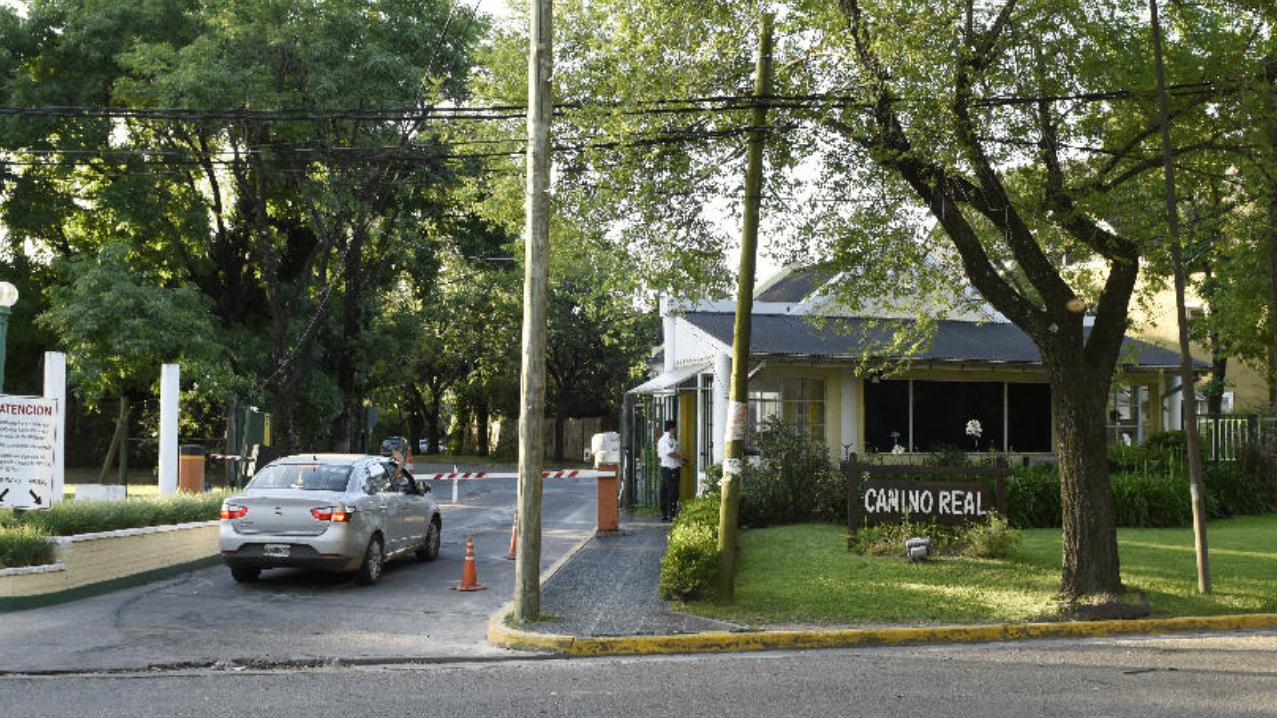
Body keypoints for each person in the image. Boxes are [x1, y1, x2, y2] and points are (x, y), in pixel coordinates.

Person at [657, 419, 683, 522]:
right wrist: (681, 457)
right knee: (672, 492)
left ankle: (664, 513)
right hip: (671, 468)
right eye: (675, 428)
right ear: (672, 428)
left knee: (665, 490)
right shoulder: (668, 439)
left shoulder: (663, 439)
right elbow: (670, 453)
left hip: (665, 467)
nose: (676, 430)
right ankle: (671, 514)